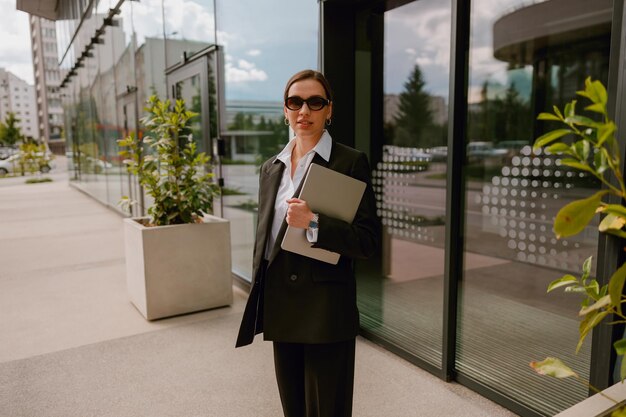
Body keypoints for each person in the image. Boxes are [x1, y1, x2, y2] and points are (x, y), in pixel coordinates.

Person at [235, 69, 380, 417]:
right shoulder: (271, 168)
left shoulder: (349, 162)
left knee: (327, 409)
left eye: (315, 102)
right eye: (295, 102)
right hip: (281, 305)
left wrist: (314, 223)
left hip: (325, 310)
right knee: (294, 409)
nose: (304, 111)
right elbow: (264, 239)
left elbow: (368, 242)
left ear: (329, 110)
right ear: (284, 110)